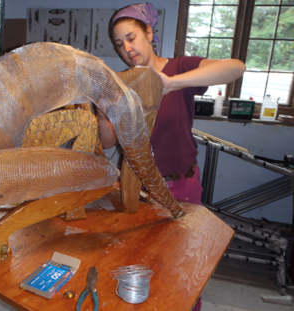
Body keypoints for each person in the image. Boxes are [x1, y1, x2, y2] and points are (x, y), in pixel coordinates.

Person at [97, 3, 246, 311]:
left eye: (131, 37)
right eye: (119, 43)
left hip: (181, 185)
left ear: (148, 33)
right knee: (140, 261)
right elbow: (109, 141)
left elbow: (236, 67)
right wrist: (102, 116)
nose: (127, 47)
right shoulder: (122, 83)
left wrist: (170, 83)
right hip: (138, 190)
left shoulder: (179, 67)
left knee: (184, 262)